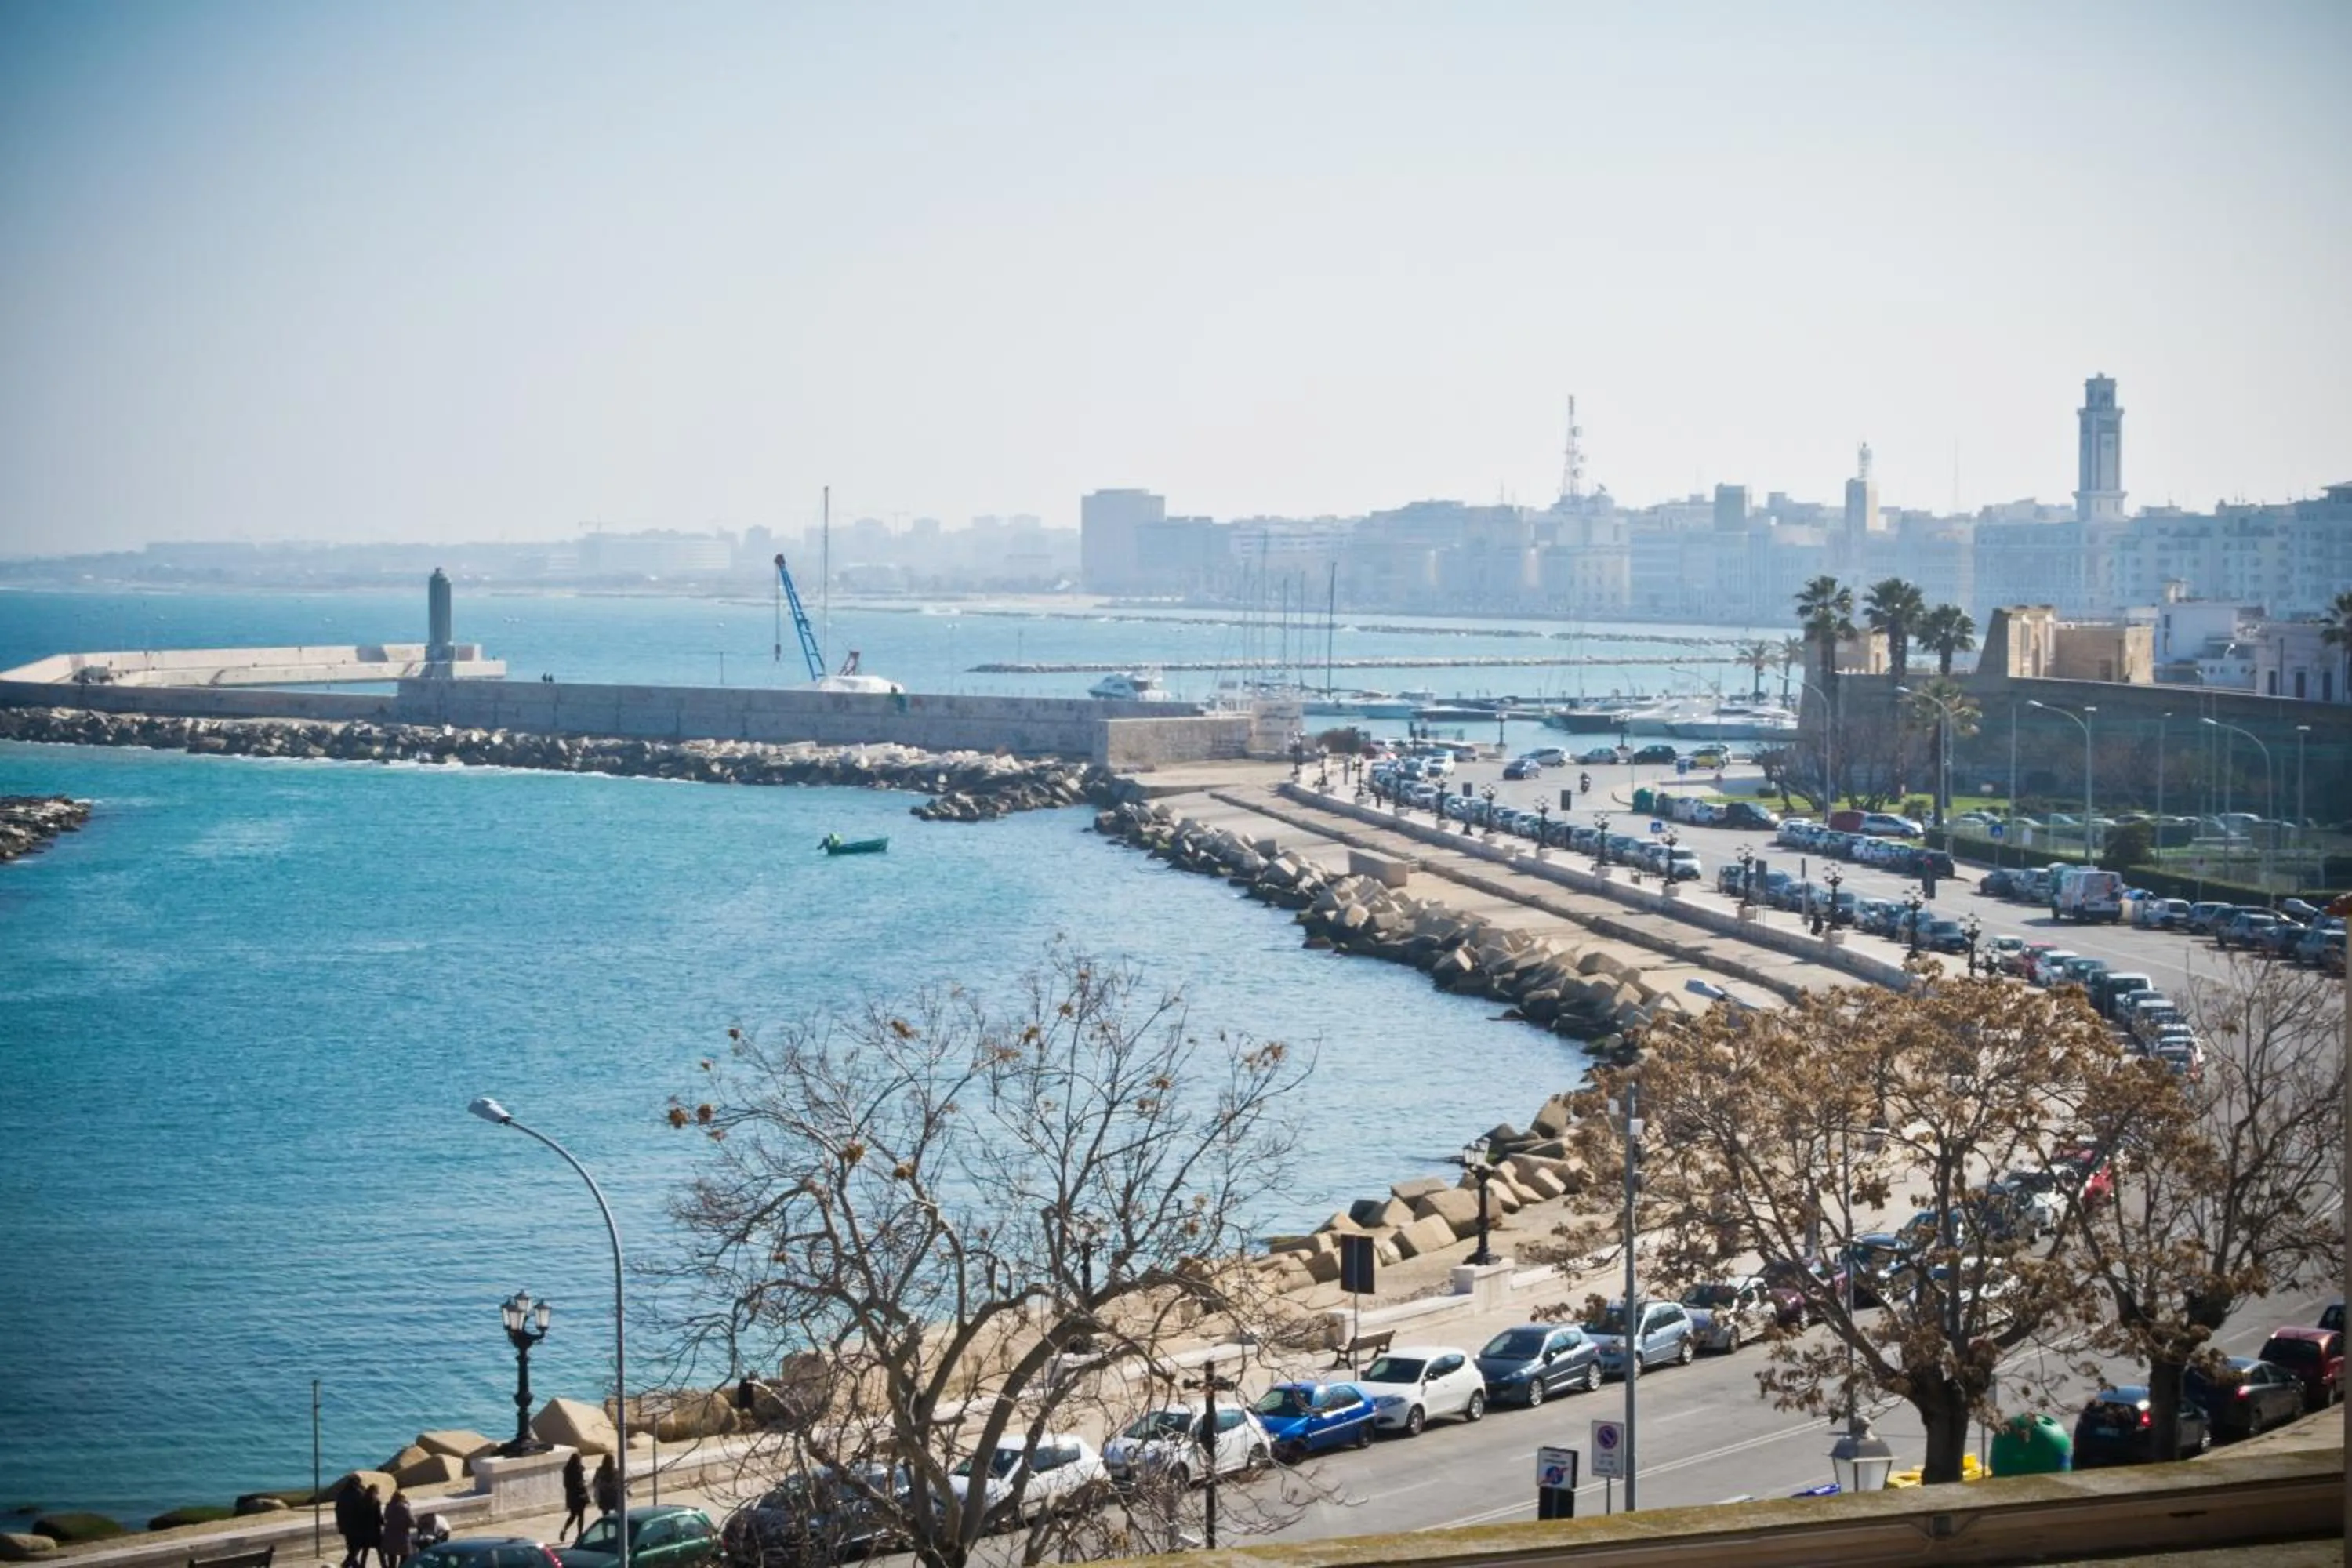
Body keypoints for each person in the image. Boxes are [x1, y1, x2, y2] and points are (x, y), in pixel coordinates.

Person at [333, 1476, 368, 1568]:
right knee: (357, 1547)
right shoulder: (359, 1494)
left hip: (345, 1526)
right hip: (357, 1526)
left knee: (351, 1547)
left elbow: (337, 1509)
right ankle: (347, 1564)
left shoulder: (342, 1494)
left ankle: (355, 1565)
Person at [379, 1490, 414, 1568]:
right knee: (405, 1556)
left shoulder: (389, 1506)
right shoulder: (405, 1507)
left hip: (390, 1535)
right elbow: (412, 1521)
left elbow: (386, 1516)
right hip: (402, 1536)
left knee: (391, 1558)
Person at [560, 1452, 589, 1542]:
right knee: (581, 1516)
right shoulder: (578, 1470)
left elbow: (566, 1485)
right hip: (580, 1496)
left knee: (572, 1515)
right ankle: (580, 1534)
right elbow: (580, 1483)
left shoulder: (567, 1470)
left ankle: (564, 1529)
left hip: (571, 1497)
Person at [593, 1453, 620, 1519]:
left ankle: (605, 1528)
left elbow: (595, 1481)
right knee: (618, 1513)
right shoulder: (616, 1471)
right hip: (613, 1494)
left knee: (605, 1514)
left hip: (604, 1494)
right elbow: (619, 1482)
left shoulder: (600, 1470)